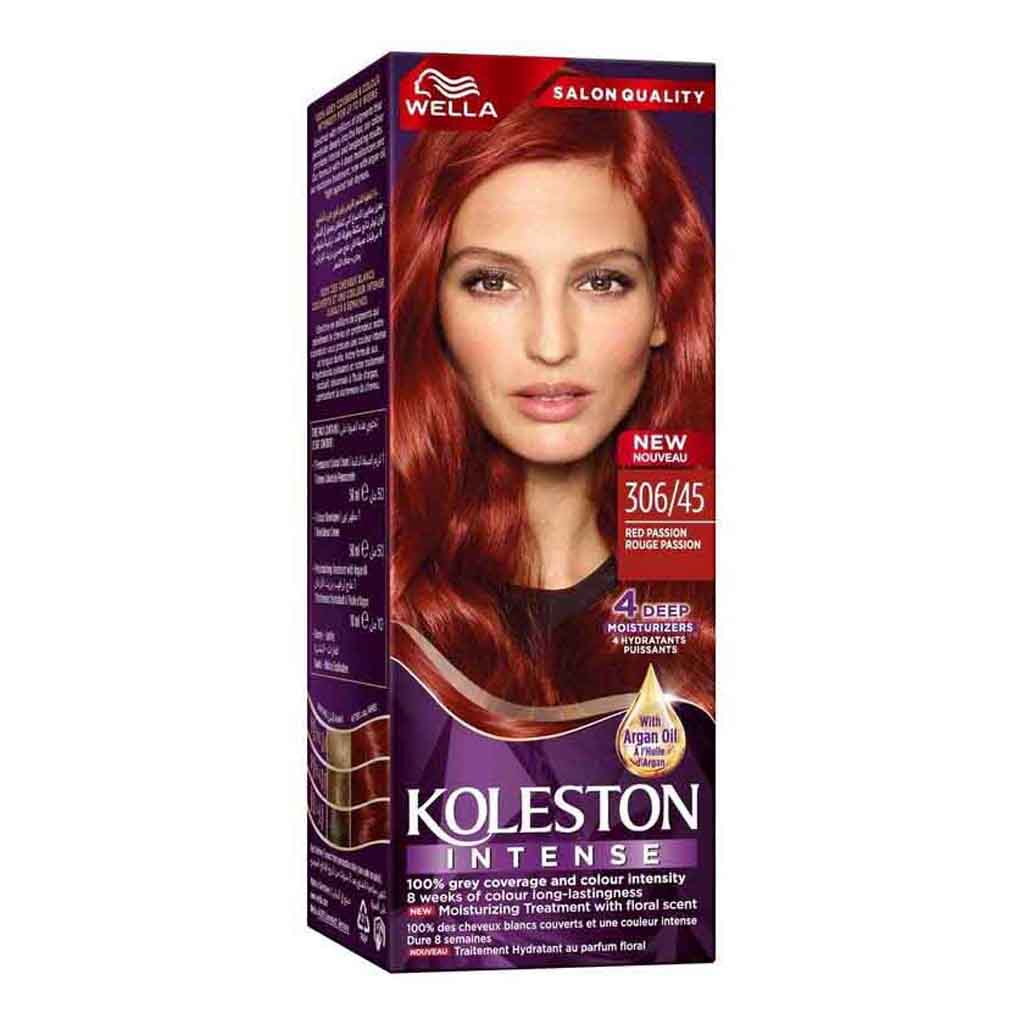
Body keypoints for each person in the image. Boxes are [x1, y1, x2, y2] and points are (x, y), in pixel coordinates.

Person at [390, 73, 714, 732]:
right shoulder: (383, 592)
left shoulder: (718, 591)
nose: (551, 344)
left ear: (664, 305)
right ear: (433, 307)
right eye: (492, 282)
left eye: (602, 281)